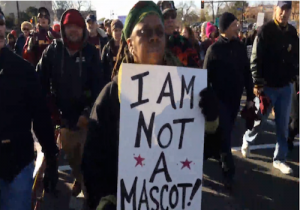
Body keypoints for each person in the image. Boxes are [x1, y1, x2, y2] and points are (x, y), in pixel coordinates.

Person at [82, 2, 219, 209]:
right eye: (145, 32)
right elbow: (93, 160)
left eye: (159, 32)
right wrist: (105, 199)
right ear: (129, 43)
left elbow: (200, 152)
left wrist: (210, 121)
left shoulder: (187, 91)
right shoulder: (111, 96)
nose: (155, 37)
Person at [36, 9, 104, 197]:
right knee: (73, 158)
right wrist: (49, 106)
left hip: (86, 117)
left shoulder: (91, 53)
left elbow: (99, 86)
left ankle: (88, 191)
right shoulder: (53, 50)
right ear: (64, 29)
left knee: (88, 159)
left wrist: (89, 112)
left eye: (77, 26)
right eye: (69, 26)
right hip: (63, 117)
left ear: (83, 29)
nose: (73, 30)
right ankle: (79, 178)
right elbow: (39, 78)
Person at [0, 8, 58, 210]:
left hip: (17, 165)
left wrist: (51, 157)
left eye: (0, 22)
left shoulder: (23, 71)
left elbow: (40, 117)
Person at [241, 1, 299, 174]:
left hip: (286, 86)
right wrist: (257, 83)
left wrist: (294, 77)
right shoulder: (265, 31)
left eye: (288, 10)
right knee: (260, 121)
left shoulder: (292, 33)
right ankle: (247, 139)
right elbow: (255, 58)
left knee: (283, 125)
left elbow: (296, 56)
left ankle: (279, 159)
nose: (284, 14)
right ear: (275, 10)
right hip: (267, 86)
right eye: (282, 10)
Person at [204, 12, 255, 187]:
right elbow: (204, 77)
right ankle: (228, 172)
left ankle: (207, 153)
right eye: (234, 24)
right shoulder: (213, 50)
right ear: (225, 28)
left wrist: (250, 96)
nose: (238, 27)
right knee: (225, 137)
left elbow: (247, 73)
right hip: (219, 101)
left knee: (221, 135)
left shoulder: (240, 47)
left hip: (235, 101)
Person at [157, 1, 200, 67]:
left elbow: (196, 70)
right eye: (165, 16)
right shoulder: (153, 44)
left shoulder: (186, 44)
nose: (170, 19)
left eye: (173, 16)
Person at [101, 19, 123, 84]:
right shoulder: (107, 48)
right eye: (116, 30)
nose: (118, 33)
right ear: (112, 32)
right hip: (110, 82)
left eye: (120, 30)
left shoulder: (126, 48)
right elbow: (102, 67)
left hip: (124, 81)